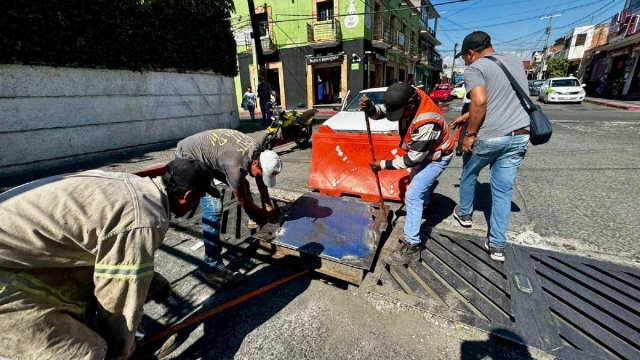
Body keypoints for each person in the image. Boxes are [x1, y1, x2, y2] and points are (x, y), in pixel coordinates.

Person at [0, 158, 212, 359]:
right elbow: (119, 297)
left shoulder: (136, 187)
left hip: (18, 252)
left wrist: (149, 279)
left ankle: (126, 343)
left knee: (134, 286)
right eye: (200, 197)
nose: (199, 203)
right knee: (88, 352)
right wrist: (122, 352)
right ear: (188, 195)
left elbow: (113, 255)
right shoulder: (145, 219)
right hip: (7, 270)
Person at [451, 31, 530, 262]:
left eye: (464, 57)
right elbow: (501, 99)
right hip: (519, 136)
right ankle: (497, 246)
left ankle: (464, 214)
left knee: (469, 173)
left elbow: (481, 101)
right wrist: (465, 117)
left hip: (490, 137)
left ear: (470, 53)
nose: (465, 61)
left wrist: (470, 134)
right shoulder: (514, 61)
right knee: (503, 192)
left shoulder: (475, 68)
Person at [359, 82, 455, 266]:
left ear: (411, 103)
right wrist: (371, 108)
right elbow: (383, 113)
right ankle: (426, 202)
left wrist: (383, 165)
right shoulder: (406, 97)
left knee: (412, 195)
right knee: (415, 181)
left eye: (401, 112)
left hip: (437, 156)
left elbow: (413, 159)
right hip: (423, 153)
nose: (398, 117)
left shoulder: (427, 120)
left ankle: (412, 246)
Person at [176, 129, 282, 284]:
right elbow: (241, 199)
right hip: (189, 157)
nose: (261, 176)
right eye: (261, 173)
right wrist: (262, 212)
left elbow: (260, 178)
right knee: (214, 208)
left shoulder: (259, 152)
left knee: (242, 183)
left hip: (212, 156)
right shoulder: (235, 165)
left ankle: (254, 219)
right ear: (254, 163)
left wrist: (267, 204)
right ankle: (214, 268)